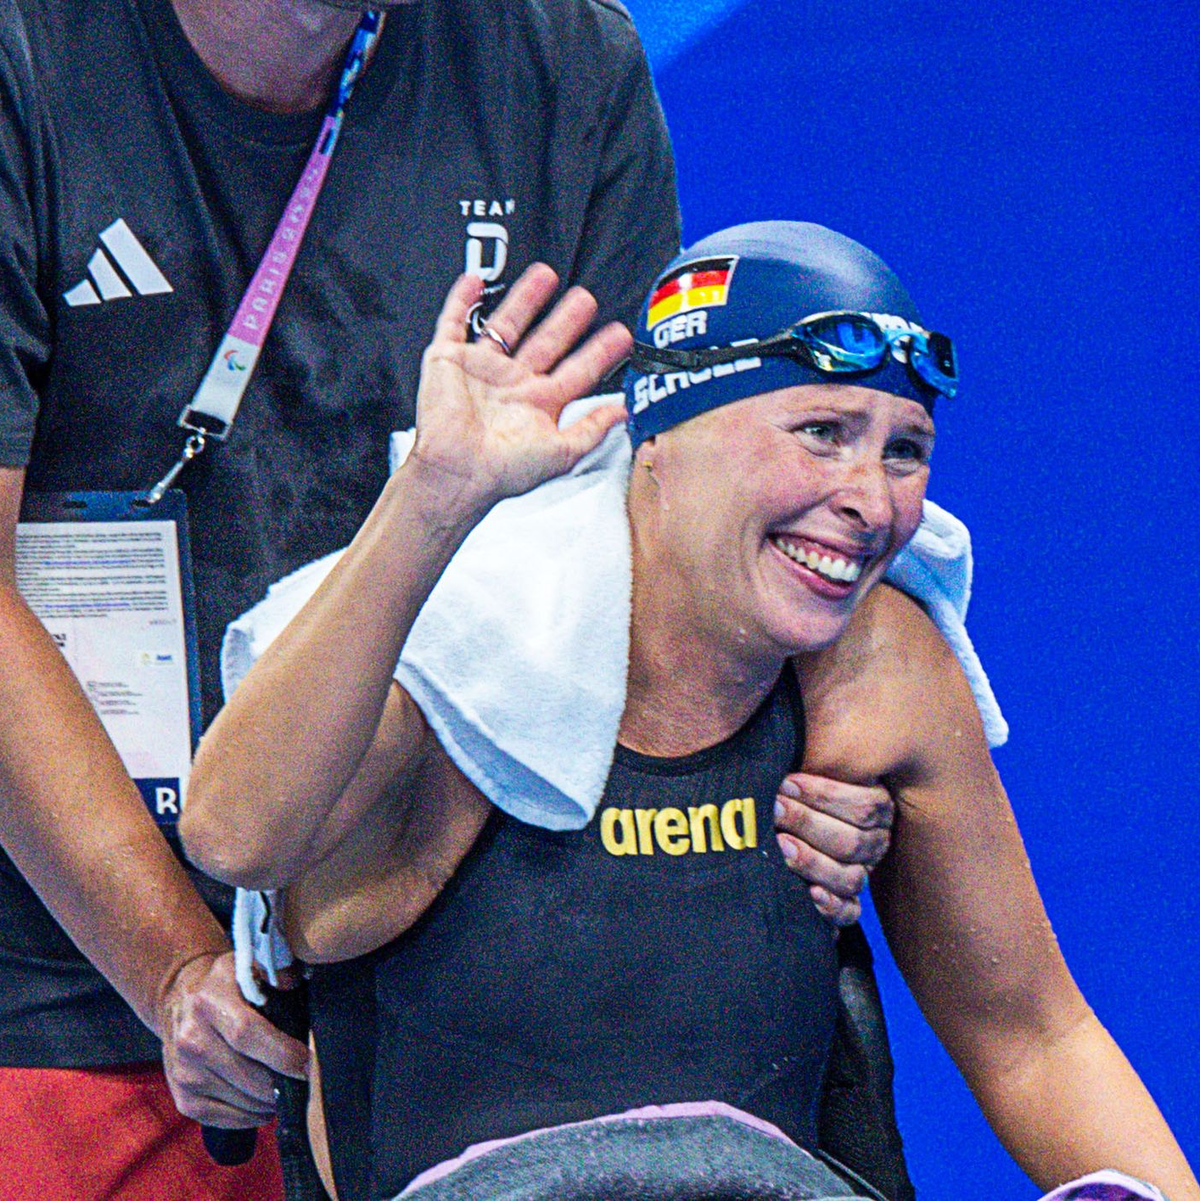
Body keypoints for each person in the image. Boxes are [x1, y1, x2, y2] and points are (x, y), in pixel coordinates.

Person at [182, 223, 1199, 1201]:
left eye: (904, 449)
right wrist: (434, 498)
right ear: (662, 432)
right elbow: (233, 833)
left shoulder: (877, 664)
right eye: (823, 434)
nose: (873, 500)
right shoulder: (469, 656)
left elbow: (1033, 1032)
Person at [0, 0, 683, 1194]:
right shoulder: (27, 56)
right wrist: (174, 973)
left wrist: (804, 777)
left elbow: (643, 547)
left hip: (445, 1003)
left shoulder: (565, 63)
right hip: (62, 997)